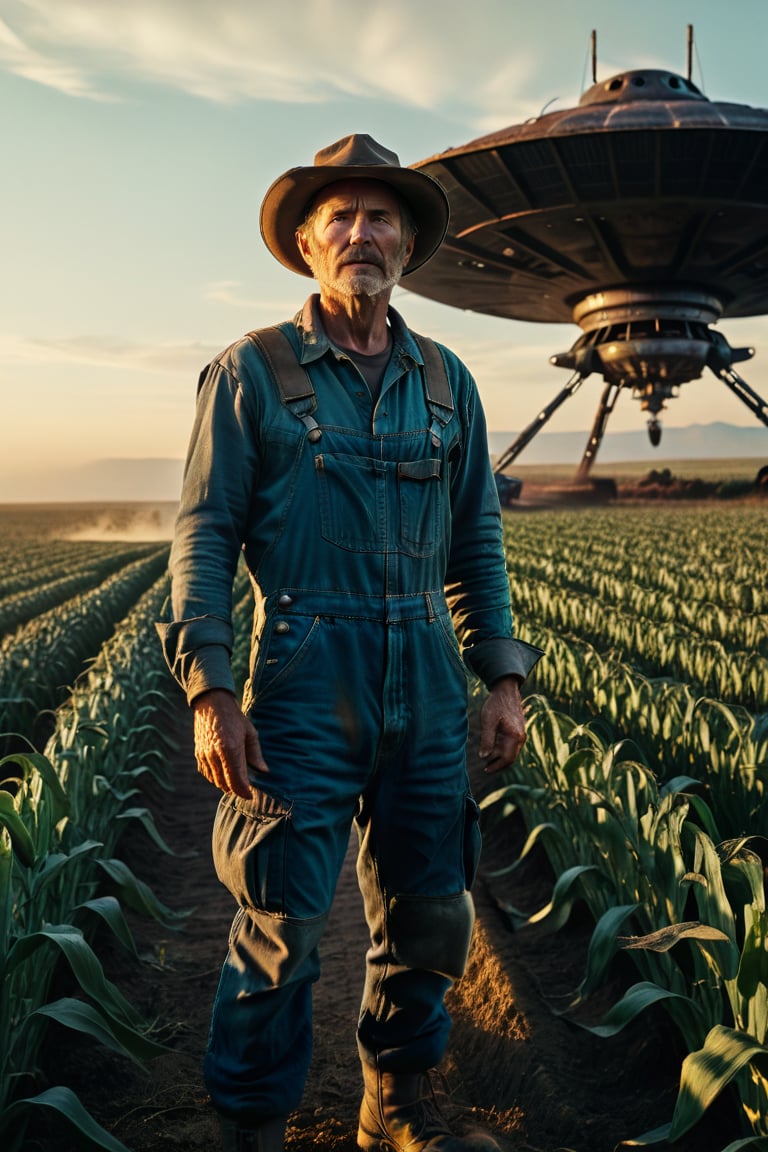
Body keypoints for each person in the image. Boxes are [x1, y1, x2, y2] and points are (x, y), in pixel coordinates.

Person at [158, 133, 541, 1152]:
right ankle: (253, 1128)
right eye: (342, 218)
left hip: (423, 681)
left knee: (430, 916)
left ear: (409, 244)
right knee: (280, 926)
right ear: (307, 244)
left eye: (383, 217)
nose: (363, 233)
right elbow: (203, 535)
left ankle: (400, 1105)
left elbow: (478, 541)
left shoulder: (448, 383)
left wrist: (501, 676)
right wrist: (208, 689)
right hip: (299, 681)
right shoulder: (252, 373)